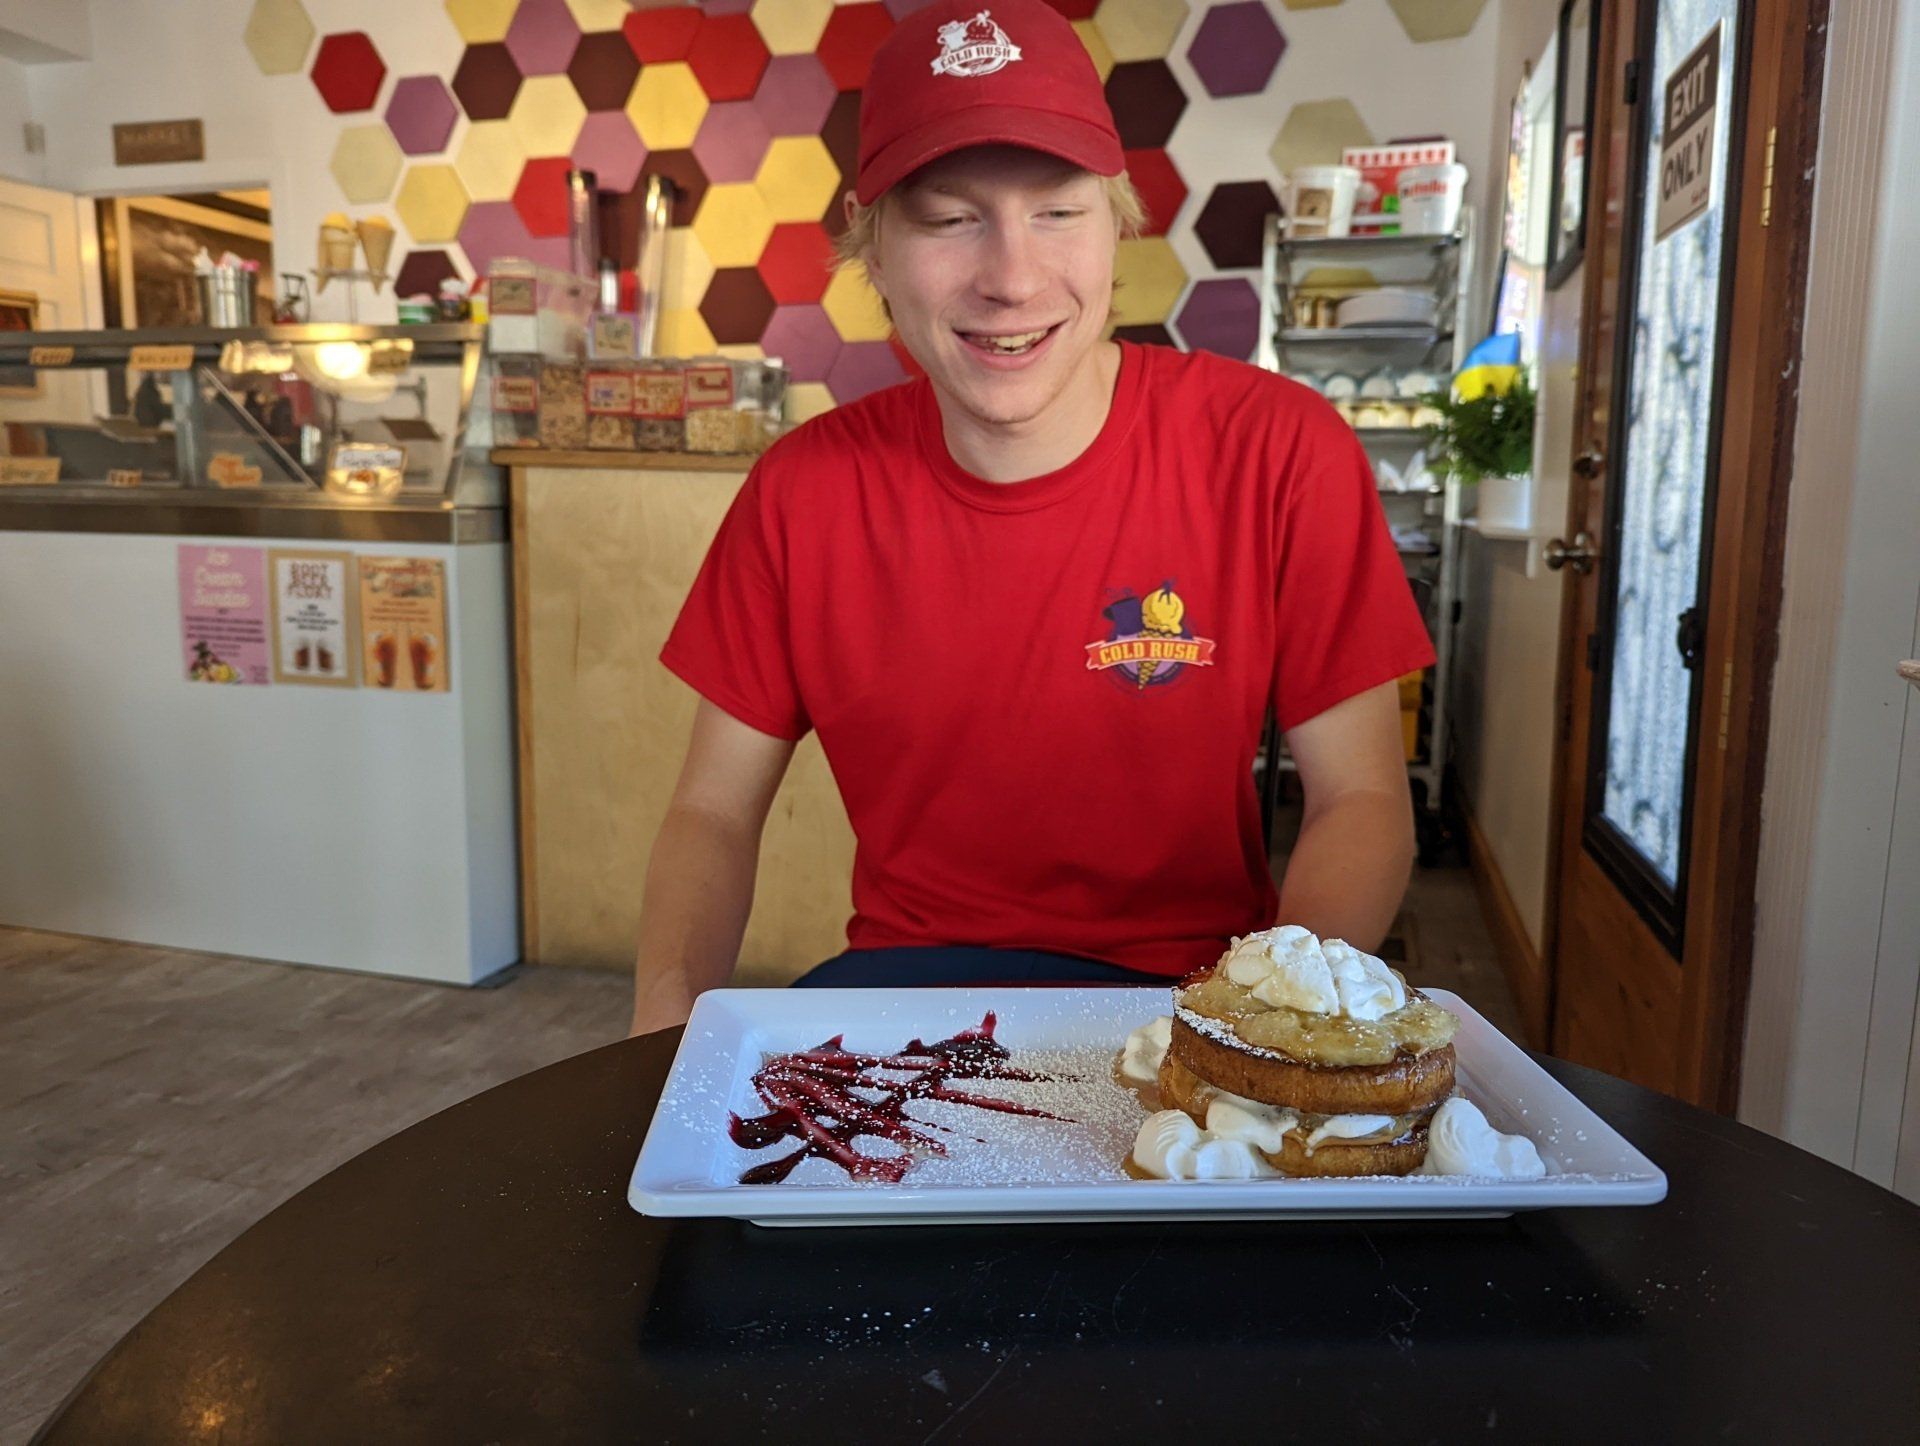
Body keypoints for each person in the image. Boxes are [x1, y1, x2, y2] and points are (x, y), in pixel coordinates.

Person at [629, 0, 1432, 1036]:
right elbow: (711, 810)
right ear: (872, 251)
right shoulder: (801, 491)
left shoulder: (1279, 450)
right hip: (907, 998)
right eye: (950, 218)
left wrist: (1266, 1030)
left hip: (1196, 998)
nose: (1011, 278)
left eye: (1057, 210)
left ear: (1117, 227)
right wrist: (663, 1024)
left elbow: (1362, 801)